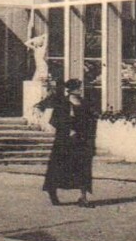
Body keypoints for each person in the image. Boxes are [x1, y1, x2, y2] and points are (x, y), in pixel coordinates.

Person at [38, 78, 97, 207]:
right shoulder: (63, 103)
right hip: (64, 142)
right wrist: (66, 130)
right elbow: (54, 120)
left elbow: (91, 120)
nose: (80, 90)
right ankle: (52, 192)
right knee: (58, 168)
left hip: (81, 140)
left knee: (83, 168)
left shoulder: (84, 103)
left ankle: (83, 197)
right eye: (77, 88)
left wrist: (90, 138)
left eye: (80, 87)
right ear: (70, 90)